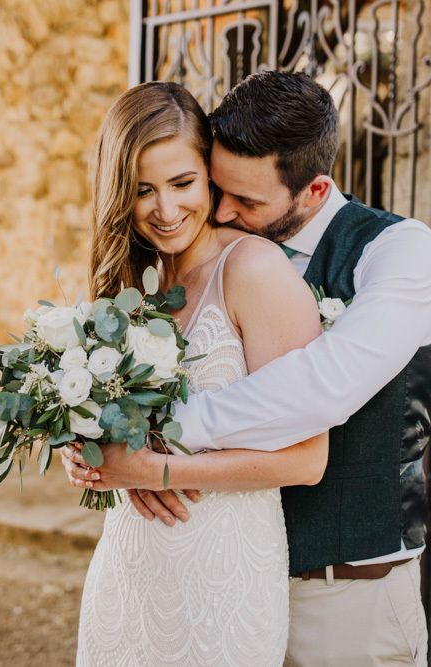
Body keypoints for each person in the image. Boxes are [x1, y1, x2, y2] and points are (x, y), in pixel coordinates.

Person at [64, 71, 431, 667]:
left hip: (342, 587)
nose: (222, 211)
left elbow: (324, 387)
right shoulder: (162, 274)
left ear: (314, 190)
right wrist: (89, 433)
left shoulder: (396, 252)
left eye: (244, 200)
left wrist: (151, 444)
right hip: (214, 571)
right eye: (218, 188)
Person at [69, 80, 329, 666]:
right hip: (130, 563)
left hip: (223, 576)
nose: (165, 210)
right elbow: (110, 424)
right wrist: (79, 444)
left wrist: (155, 471)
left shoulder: (254, 271)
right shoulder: (131, 284)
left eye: (183, 184)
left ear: (210, 177)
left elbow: (308, 460)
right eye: (142, 190)